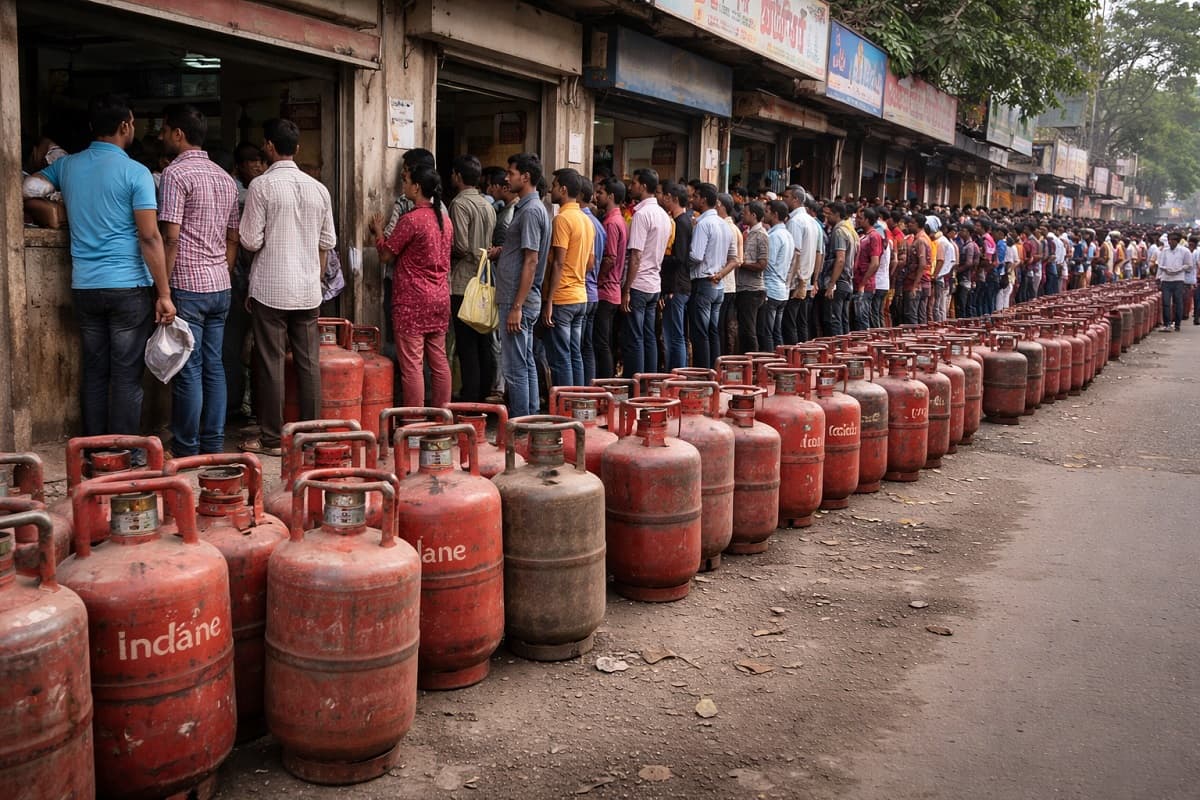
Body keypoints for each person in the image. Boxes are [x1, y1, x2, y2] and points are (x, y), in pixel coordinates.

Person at [34, 94, 175, 460]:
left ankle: (93, 452)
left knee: (95, 371)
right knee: (126, 375)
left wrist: (51, 210)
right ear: (127, 125)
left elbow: (28, 187)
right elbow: (149, 236)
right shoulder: (136, 172)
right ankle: (125, 453)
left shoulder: (67, 167)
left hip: (85, 286)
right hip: (128, 287)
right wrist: (164, 293)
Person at [239, 118, 335, 456]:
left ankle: (270, 439)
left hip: (270, 288)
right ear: (297, 149)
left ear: (268, 146)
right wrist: (317, 279)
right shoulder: (318, 189)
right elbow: (327, 242)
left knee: (271, 363)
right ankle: (310, 436)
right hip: (308, 288)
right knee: (309, 363)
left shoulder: (261, 187)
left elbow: (250, 241)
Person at [158, 103, 239, 457]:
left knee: (188, 368)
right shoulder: (225, 178)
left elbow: (171, 236)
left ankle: (188, 448)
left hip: (189, 285)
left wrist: (163, 286)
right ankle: (213, 443)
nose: (161, 137)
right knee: (214, 365)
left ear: (178, 134)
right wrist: (224, 268)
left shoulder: (176, 175)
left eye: (165, 131)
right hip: (220, 285)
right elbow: (233, 237)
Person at [372, 164, 453, 406]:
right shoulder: (445, 221)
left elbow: (386, 254)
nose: (404, 185)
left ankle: (414, 426)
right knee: (439, 361)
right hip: (439, 298)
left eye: (406, 181)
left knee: (412, 365)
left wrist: (378, 233)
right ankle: (443, 420)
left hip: (412, 301)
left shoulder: (411, 220)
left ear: (416, 187)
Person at [487, 153, 550, 417]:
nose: (506, 177)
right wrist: (504, 251)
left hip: (519, 299)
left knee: (515, 367)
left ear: (525, 177)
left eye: (511, 173)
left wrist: (517, 306)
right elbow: (525, 253)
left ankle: (521, 422)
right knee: (524, 363)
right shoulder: (528, 208)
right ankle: (530, 418)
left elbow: (532, 260)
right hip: (519, 297)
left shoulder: (532, 210)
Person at [448, 154, 497, 403]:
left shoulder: (459, 204)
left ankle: (470, 397)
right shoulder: (487, 204)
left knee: (466, 344)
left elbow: (461, 245)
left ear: (457, 175)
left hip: (464, 281)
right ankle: (484, 394)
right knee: (483, 340)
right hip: (485, 279)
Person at [542, 168, 594, 387]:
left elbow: (558, 262)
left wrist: (550, 300)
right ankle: (579, 403)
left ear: (563, 190)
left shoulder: (562, 219)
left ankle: (565, 409)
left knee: (561, 357)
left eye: (554, 185)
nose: (551, 189)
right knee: (575, 354)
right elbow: (590, 262)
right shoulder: (586, 220)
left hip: (563, 297)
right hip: (580, 295)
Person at [621, 168, 670, 376]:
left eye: (633, 183)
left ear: (643, 186)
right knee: (648, 335)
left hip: (640, 283)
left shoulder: (642, 214)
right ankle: (649, 382)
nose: (630, 187)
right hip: (653, 283)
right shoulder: (662, 215)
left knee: (635, 338)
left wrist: (627, 289)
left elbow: (636, 256)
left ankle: (637, 386)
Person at [688, 183, 736, 368]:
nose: (692, 199)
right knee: (712, 331)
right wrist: (720, 273)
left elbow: (696, 256)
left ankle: (703, 373)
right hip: (717, 284)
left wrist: (683, 259)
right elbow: (734, 259)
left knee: (700, 332)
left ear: (704, 200)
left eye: (696, 196)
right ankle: (714, 370)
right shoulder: (724, 225)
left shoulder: (703, 224)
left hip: (703, 282)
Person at [593, 177, 627, 379]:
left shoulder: (612, 222)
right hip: (612, 290)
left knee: (602, 342)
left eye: (601, 193)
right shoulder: (619, 219)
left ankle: (605, 385)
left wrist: (598, 278)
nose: (597, 197)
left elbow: (610, 257)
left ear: (611, 196)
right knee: (606, 341)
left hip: (606, 290)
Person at [725, 201, 768, 353]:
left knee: (749, 331)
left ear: (754, 215)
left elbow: (762, 264)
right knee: (744, 329)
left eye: (746, 212)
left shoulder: (761, 235)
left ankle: (752, 364)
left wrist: (741, 263)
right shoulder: (748, 233)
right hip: (744, 288)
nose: (743, 214)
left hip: (752, 290)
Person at [661, 183, 693, 371]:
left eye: (665, 196)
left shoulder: (681, 223)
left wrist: (661, 258)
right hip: (679, 283)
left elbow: (680, 257)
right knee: (675, 332)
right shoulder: (682, 221)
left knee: (675, 334)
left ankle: (676, 372)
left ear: (673, 198)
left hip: (677, 285)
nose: (663, 200)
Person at [760, 200, 793, 351]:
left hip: (772, 288)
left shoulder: (774, 236)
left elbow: (767, 263)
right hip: (781, 289)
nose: (764, 215)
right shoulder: (787, 235)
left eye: (767, 212)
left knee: (767, 332)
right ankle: (780, 363)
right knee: (775, 331)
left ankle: (769, 366)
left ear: (775, 215)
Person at [852, 206, 883, 330]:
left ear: (868, 220)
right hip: (858, 281)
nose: (858, 220)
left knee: (862, 317)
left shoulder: (874, 236)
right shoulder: (864, 235)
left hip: (865, 284)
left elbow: (875, 263)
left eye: (861, 218)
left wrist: (863, 283)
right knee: (857, 317)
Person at [1157, 230, 1189, 331]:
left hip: (1178, 279)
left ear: (1176, 241)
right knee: (1166, 302)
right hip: (1166, 279)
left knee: (1178, 302)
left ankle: (1177, 324)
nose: (1169, 242)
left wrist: (1178, 269)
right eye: (1169, 240)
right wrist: (1159, 276)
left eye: (1171, 240)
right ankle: (1167, 324)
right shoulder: (1165, 251)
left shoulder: (1184, 251)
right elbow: (1160, 264)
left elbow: (1189, 265)